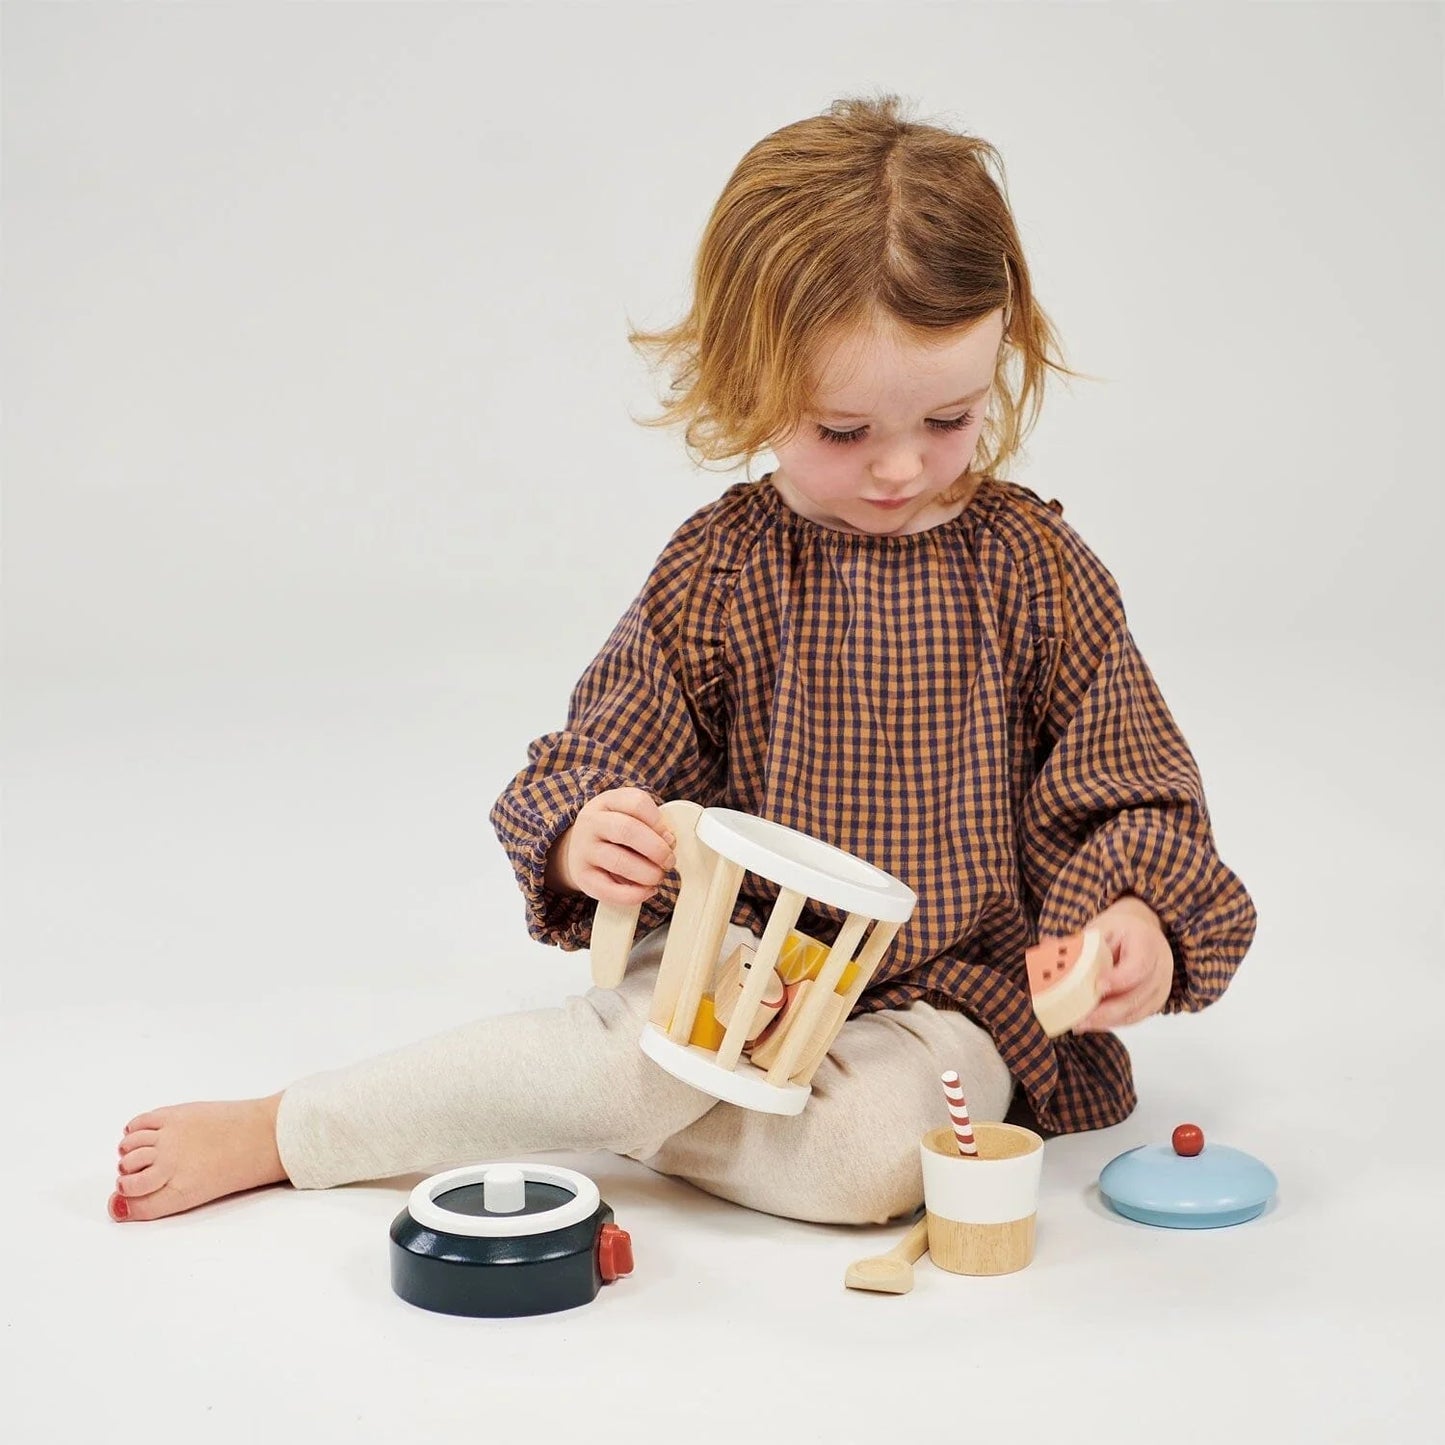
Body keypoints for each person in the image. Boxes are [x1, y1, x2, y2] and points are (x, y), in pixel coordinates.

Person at [109, 94, 1256, 1228]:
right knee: (646, 1053)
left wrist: (1135, 928)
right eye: (842, 430)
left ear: (1001, 357)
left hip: (950, 993)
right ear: (749, 383)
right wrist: (580, 833)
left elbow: (1132, 784)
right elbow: (602, 746)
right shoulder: (724, 567)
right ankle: (292, 1126)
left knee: (866, 1161)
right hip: (741, 958)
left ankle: (592, 1100)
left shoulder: (1033, 569)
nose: (900, 468)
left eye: (949, 419)